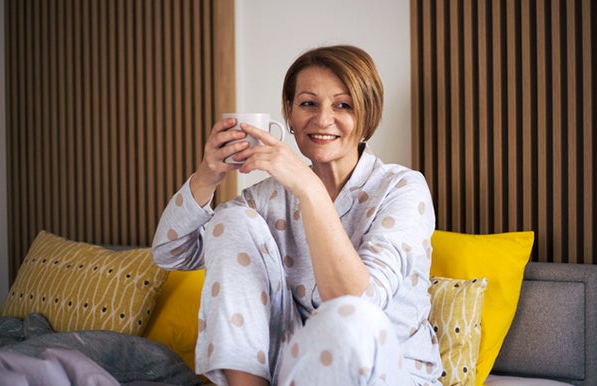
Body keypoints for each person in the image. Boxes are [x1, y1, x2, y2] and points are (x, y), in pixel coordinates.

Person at [152, 45, 442, 386]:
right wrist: (207, 175)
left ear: (368, 114)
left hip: (386, 372)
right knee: (230, 221)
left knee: (351, 316)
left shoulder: (402, 188)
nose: (322, 119)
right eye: (308, 103)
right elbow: (171, 253)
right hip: (297, 373)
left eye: (343, 105)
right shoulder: (270, 197)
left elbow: (358, 307)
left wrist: (310, 190)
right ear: (289, 114)